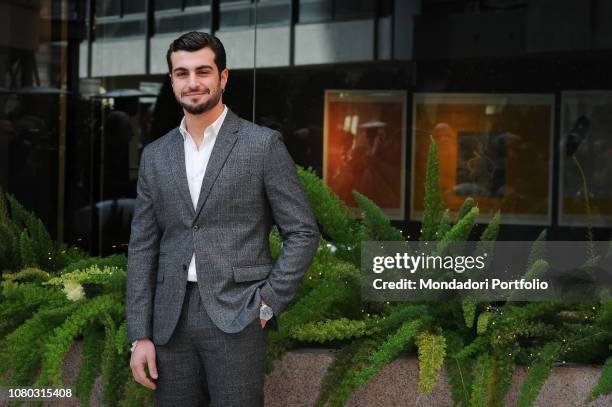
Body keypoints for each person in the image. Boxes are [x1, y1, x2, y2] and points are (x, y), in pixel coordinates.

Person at [126, 31, 320, 406]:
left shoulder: (261, 145)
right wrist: (140, 334)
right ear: (172, 81)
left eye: (203, 71)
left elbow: (302, 232)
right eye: (182, 73)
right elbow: (143, 247)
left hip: (237, 316)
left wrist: (266, 304)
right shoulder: (155, 155)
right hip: (169, 320)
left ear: (223, 77)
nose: (193, 82)